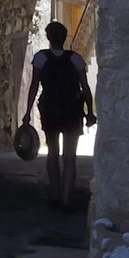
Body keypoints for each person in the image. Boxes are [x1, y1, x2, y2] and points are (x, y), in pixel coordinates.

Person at [24, 21, 96, 209]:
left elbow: (34, 86)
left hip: (50, 110)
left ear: (49, 38)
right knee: (70, 157)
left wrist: (26, 113)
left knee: (53, 154)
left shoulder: (41, 58)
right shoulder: (76, 59)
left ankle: (54, 194)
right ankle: (66, 199)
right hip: (72, 110)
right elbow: (85, 87)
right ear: (65, 38)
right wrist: (90, 112)